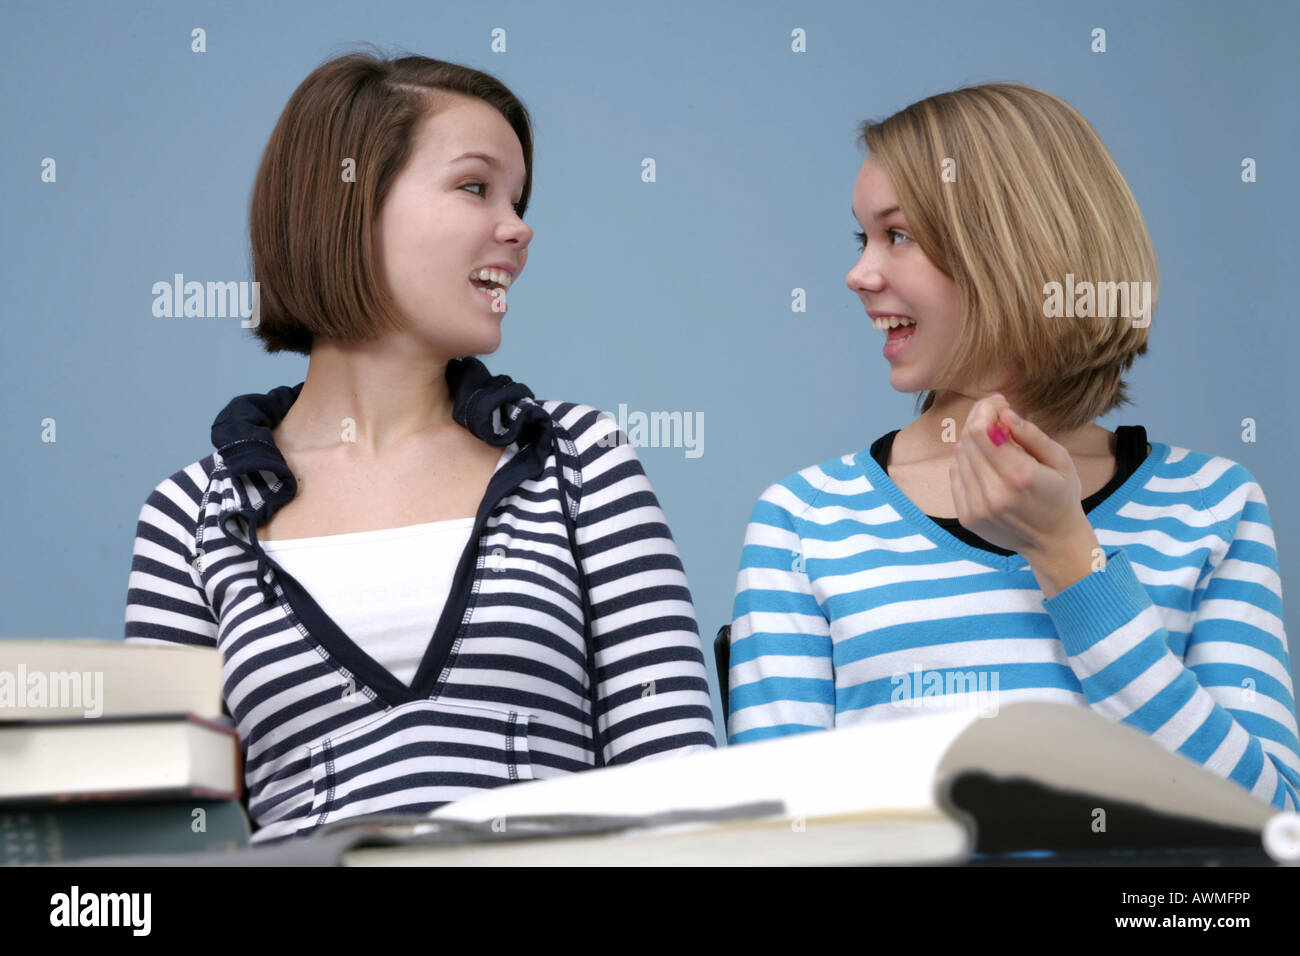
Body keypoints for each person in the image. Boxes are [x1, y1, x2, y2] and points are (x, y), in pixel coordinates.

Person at [124, 50, 715, 843]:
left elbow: (676, 788)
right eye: (476, 187)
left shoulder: (582, 460)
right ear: (349, 205)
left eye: (518, 197)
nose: (519, 227)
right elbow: (167, 842)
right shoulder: (191, 517)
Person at [726, 82, 1299, 810]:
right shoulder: (804, 521)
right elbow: (774, 838)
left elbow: (1274, 824)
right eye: (861, 237)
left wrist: (1068, 557)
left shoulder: (1214, 505)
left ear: (1011, 251)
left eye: (897, 235)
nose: (859, 274)